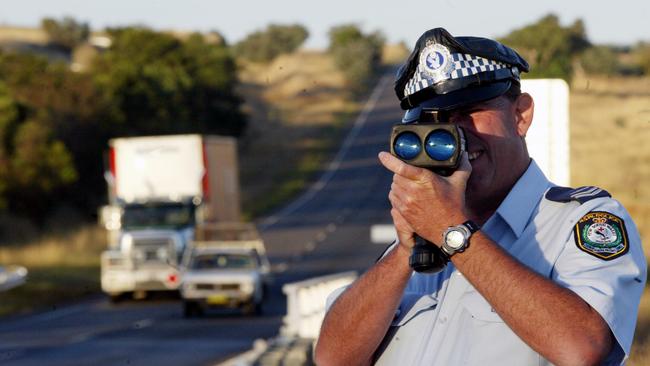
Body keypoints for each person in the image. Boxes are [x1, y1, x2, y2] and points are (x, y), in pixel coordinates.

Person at [314, 28, 647, 366]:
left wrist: (452, 232)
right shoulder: (421, 233)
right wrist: (406, 250)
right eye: (437, 122)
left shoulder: (580, 222)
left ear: (520, 115)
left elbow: (583, 349)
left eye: (469, 111)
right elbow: (332, 358)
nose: (456, 136)